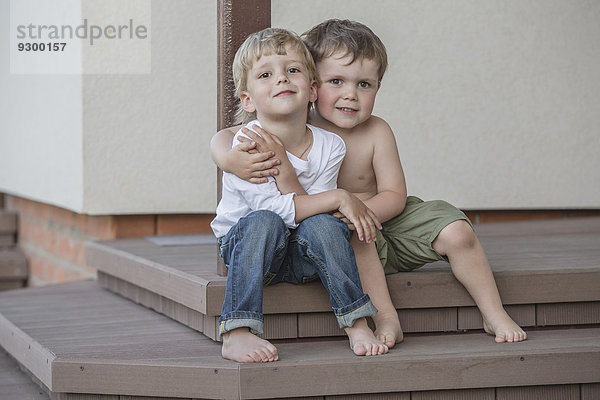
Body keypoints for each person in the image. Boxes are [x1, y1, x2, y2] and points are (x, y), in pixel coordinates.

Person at [211, 19, 527, 346]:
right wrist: (226, 158)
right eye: (337, 81)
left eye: (364, 85)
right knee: (354, 232)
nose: (350, 95)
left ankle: (494, 313)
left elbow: (394, 195)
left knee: (456, 230)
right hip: (336, 226)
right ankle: (386, 318)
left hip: (377, 214)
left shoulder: (374, 132)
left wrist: (357, 212)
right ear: (314, 84)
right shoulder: (294, 121)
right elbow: (228, 137)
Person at [211, 27, 390, 363]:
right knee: (263, 221)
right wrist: (339, 197)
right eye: (266, 74)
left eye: (292, 70)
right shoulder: (246, 145)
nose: (281, 79)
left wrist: (320, 192)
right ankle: (236, 331)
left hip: (302, 252)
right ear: (247, 99)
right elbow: (272, 210)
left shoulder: (330, 145)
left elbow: (314, 215)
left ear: (311, 89)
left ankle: (356, 321)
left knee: (324, 226)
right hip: (250, 251)